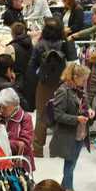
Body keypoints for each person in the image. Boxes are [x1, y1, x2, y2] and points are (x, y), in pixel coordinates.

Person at [27, 17, 67, 157]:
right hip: (62, 84)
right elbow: (73, 63)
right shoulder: (65, 43)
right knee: (61, 114)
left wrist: (38, 77)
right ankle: (57, 149)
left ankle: (38, 149)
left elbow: (31, 66)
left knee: (41, 116)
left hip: (44, 84)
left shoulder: (39, 45)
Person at [50, 64, 94, 190]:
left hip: (80, 133)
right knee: (69, 165)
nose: (85, 83)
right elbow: (58, 115)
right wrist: (76, 119)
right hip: (69, 134)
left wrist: (89, 110)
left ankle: (63, 189)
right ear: (75, 77)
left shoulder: (80, 89)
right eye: (83, 80)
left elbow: (85, 104)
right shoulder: (63, 91)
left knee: (72, 164)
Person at [0, 87, 35, 172]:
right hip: (1, 163)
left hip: (21, 164)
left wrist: (3, 144)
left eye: (4, 107)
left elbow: (26, 144)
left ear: (14, 105)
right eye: (0, 107)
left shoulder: (25, 118)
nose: (1, 110)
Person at [7, 21, 33, 101]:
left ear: (12, 33)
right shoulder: (32, 45)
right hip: (30, 80)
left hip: (16, 81)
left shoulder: (11, 47)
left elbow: (7, 66)